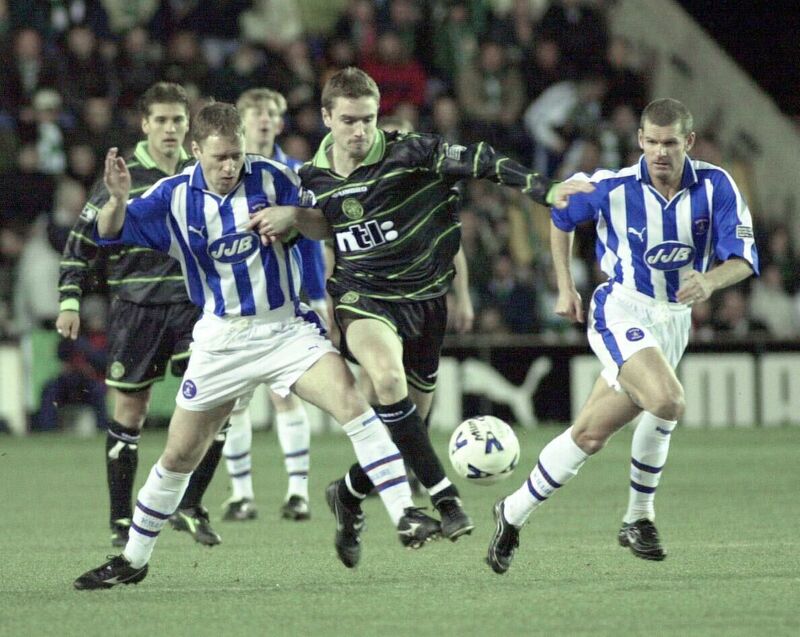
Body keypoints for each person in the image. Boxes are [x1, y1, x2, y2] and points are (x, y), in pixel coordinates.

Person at [73, 101, 440, 590]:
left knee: (353, 403)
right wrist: (117, 200)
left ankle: (405, 514)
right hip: (221, 337)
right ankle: (133, 559)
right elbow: (109, 234)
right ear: (195, 150)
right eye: (219, 157)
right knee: (180, 455)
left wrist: (295, 217)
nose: (230, 167)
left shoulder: (275, 176)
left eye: (236, 156)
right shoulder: (171, 196)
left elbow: (325, 221)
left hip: (286, 328)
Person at [253, 67, 591, 568]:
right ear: (326, 118)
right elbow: (322, 228)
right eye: (348, 120)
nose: (360, 130)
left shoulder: (409, 151)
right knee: (386, 380)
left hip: (426, 302)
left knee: (405, 427)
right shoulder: (307, 179)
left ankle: (346, 494)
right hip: (362, 300)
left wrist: (545, 189)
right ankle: (447, 501)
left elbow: (482, 160)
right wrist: (298, 232)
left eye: (367, 119)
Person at [486, 98, 760, 574]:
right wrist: (565, 286)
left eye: (670, 143)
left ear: (688, 143)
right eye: (651, 142)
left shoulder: (716, 186)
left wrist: (710, 280)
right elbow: (560, 213)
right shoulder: (611, 186)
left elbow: (744, 257)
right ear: (639, 141)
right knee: (669, 401)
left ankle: (511, 513)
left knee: (590, 435)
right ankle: (638, 517)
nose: (659, 152)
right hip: (620, 308)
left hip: (673, 320)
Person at [57, 82, 226, 548]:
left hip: (195, 305)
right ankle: (118, 519)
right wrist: (70, 300)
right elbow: (81, 241)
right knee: (130, 412)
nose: (171, 129)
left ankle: (190, 504)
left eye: (178, 120)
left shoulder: (201, 170)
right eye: (162, 120)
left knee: (219, 402)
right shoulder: (123, 172)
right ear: (145, 124)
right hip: (136, 307)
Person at [219, 88, 328, 523]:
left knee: (286, 395)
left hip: (290, 302)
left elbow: (317, 244)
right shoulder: (225, 177)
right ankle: (241, 495)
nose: (263, 120)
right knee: (234, 401)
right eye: (254, 113)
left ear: (279, 123)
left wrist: (320, 297)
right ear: (240, 124)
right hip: (238, 305)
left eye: (270, 113)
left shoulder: (297, 173)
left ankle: (298, 492)